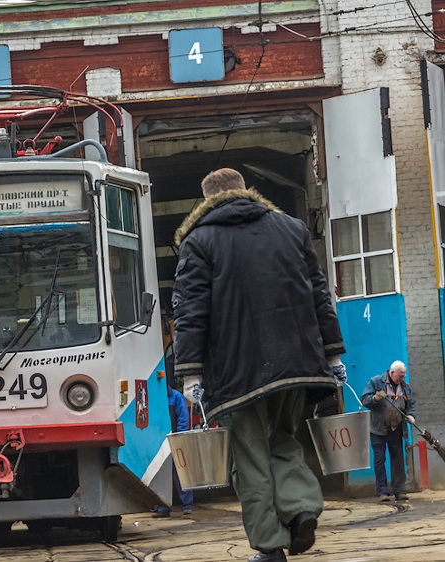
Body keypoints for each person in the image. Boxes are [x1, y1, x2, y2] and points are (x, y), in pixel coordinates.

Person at [172, 168, 346, 562]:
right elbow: (320, 295)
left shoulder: (198, 241)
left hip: (238, 374)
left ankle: (270, 546)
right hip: (296, 361)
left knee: (249, 459)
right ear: (245, 191)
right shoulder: (292, 228)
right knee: (284, 439)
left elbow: (191, 313)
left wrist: (191, 373)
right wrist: (333, 353)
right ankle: (301, 508)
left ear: (207, 199)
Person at [360, 360, 416, 502]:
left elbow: (410, 404)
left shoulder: (404, 387)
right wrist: (375, 398)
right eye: (400, 376)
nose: (402, 379)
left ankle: (400, 491)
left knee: (398, 460)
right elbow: (364, 400)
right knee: (380, 461)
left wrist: (410, 415)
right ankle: (382, 492)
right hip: (378, 429)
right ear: (391, 373)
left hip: (396, 429)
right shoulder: (376, 382)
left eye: (404, 376)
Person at [153, 385, 194, 518]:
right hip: (162, 441)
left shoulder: (175, 396)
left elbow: (183, 417)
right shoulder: (169, 396)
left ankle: (186, 505)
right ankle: (164, 507)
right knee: (165, 474)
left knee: (180, 473)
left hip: (174, 440)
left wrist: (179, 436)